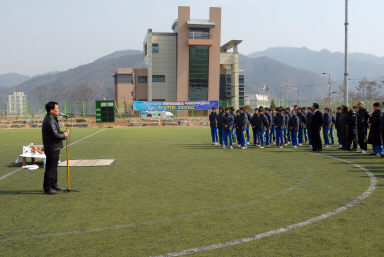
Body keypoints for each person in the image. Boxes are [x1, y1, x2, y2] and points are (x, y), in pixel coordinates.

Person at [42, 101, 69, 195]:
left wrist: (62, 132)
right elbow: (55, 135)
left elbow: (55, 132)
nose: (58, 110)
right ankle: (48, 187)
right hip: (51, 147)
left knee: (54, 167)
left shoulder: (53, 118)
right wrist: (64, 134)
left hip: (54, 147)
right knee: (50, 168)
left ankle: (54, 184)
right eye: (57, 108)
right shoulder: (49, 120)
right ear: (51, 110)